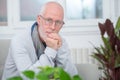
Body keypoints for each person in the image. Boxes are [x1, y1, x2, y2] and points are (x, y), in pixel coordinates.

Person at [2, 1, 78, 80]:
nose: (53, 27)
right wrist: (51, 50)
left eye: (58, 22)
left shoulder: (60, 41)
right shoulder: (19, 41)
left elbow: (71, 76)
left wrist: (60, 48)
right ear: (39, 19)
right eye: (49, 20)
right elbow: (29, 78)